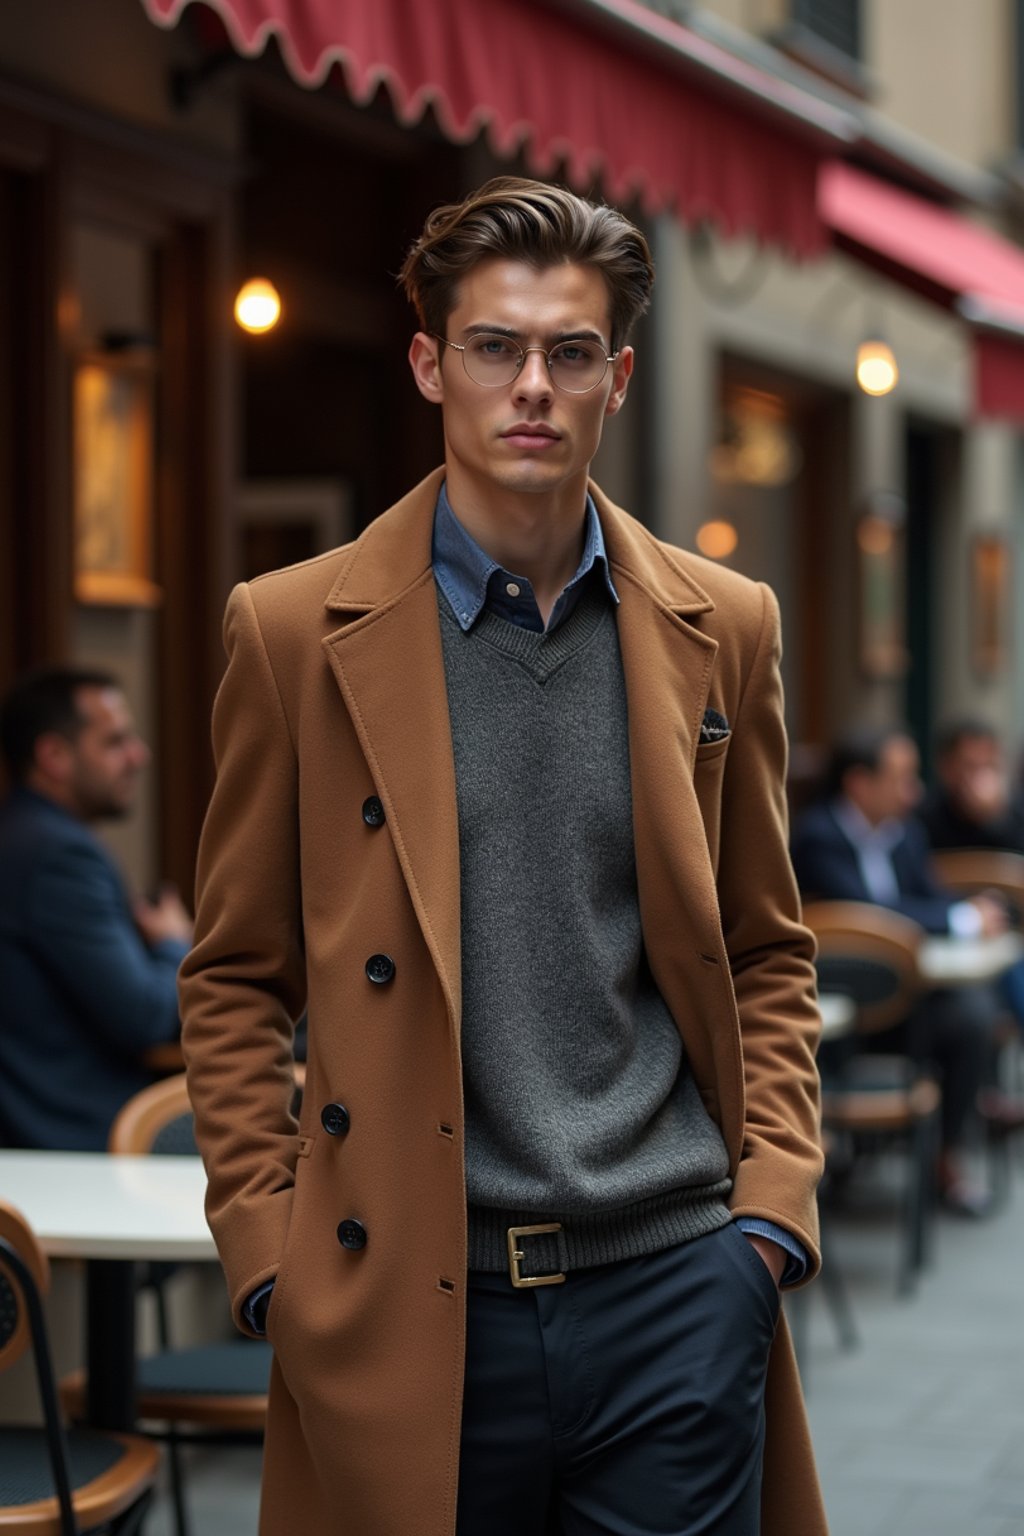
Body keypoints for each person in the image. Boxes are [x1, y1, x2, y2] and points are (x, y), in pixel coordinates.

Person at [180, 177, 826, 1536]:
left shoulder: (728, 624)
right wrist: (267, 1256)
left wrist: (766, 1218)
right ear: (430, 364)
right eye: (495, 347)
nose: (532, 385)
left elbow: (766, 946)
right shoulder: (294, 629)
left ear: (619, 377)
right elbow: (235, 974)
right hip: (411, 1300)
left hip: (672, 1285)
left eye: (570, 352)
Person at [790, 723, 1024, 1213]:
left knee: (972, 1019)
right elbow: (868, 915)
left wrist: (962, 910)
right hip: (839, 1015)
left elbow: (927, 897)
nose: (913, 791)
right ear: (859, 782)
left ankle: (945, 1161)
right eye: (901, 778)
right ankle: (832, 1158)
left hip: (907, 1003)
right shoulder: (818, 838)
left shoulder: (904, 834)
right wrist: (959, 917)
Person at [0, 666, 191, 1151]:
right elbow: (143, 1016)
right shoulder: (56, 855)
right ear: (54, 756)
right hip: (75, 1146)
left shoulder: (25, 836)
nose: (139, 755)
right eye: (115, 742)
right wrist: (173, 943)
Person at [920, 718, 1024, 854]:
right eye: (971, 766)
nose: (982, 777)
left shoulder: (1017, 813)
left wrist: (994, 819)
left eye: (990, 766)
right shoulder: (923, 819)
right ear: (946, 767)